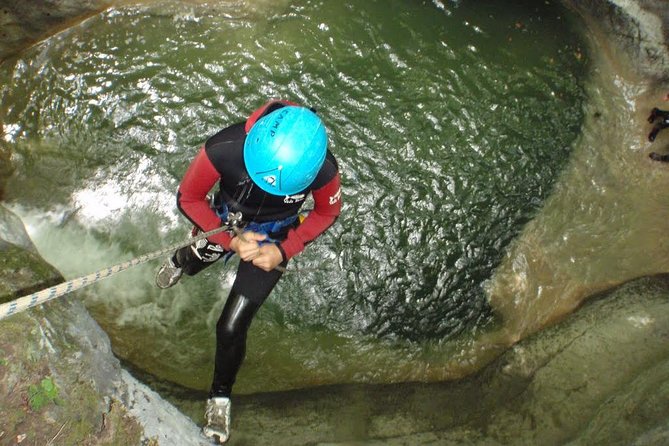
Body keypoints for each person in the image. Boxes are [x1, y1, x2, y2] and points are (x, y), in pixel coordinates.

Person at [155, 99, 342, 444]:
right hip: (226, 224)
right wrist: (230, 241)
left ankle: (220, 395)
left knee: (231, 326)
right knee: (193, 260)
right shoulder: (224, 148)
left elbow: (327, 213)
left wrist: (285, 249)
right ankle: (180, 262)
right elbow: (189, 198)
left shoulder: (321, 168)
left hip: (274, 239)